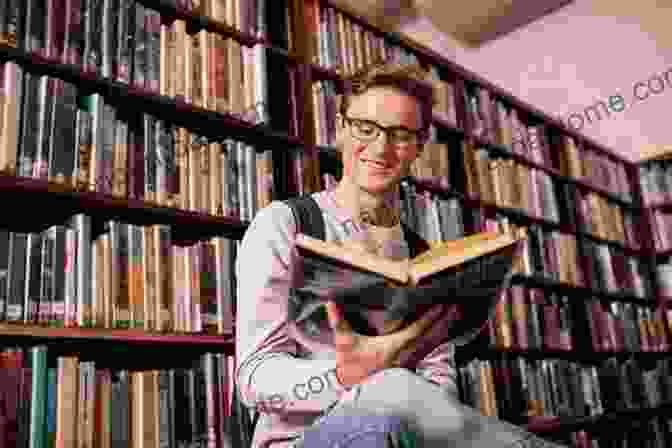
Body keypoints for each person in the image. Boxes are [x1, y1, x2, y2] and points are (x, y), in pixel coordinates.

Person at [235, 63, 567, 448]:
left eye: (400, 134)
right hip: (300, 441)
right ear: (341, 128)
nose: (380, 147)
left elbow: (438, 380)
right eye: (365, 128)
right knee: (392, 386)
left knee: (399, 390)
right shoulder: (284, 224)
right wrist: (346, 375)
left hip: (407, 430)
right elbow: (254, 379)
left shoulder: (426, 257)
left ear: (419, 146)